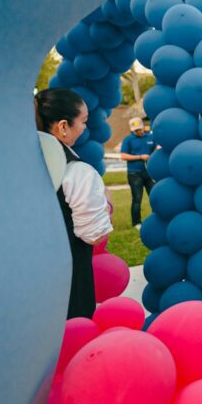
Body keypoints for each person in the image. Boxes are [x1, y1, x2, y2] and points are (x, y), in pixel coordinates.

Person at [35, 88, 113, 318]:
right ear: (63, 126)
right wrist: (106, 204)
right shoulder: (77, 172)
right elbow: (93, 235)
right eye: (83, 121)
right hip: (69, 285)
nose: (85, 128)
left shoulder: (14, 164)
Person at [119, 117, 155, 229]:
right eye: (136, 130)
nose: (138, 131)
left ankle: (157, 218)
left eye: (139, 129)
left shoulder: (151, 137)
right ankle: (136, 222)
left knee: (155, 197)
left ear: (143, 126)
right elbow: (123, 156)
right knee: (137, 199)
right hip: (135, 174)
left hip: (150, 173)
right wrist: (140, 157)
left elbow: (156, 148)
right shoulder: (128, 139)